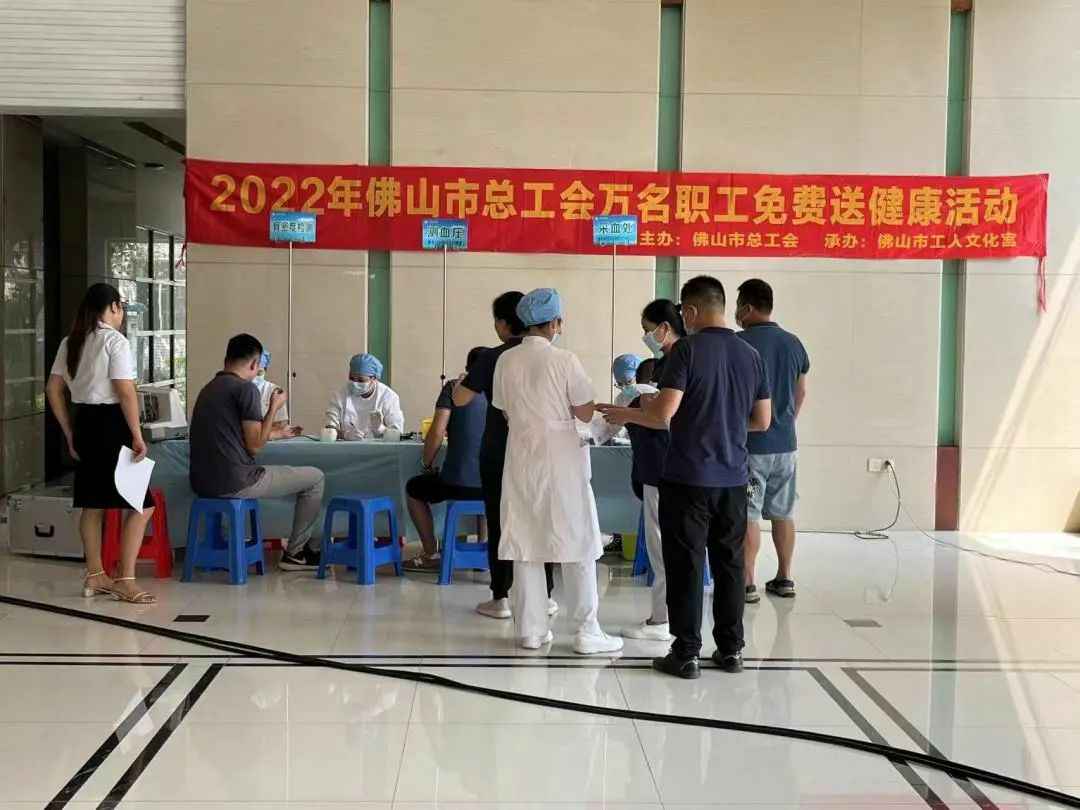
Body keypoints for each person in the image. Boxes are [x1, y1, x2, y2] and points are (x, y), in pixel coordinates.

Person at [639, 276, 771, 679]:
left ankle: (686, 652)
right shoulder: (750, 354)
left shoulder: (687, 350)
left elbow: (664, 413)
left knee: (687, 565)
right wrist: (724, 424)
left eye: (683, 312)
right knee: (730, 564)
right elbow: (762, 420)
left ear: (692, 311)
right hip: (733, 478)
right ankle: (731, 650)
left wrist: (642, 406)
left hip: (688, 477)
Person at [493, 287, 623, 654]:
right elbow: (584, 412)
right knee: (577, 541)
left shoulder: (506, 361)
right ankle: (586, 630)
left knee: (527, 542)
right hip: (562, 460)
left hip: (521, 458)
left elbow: (505, 410)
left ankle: (531, 631)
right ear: (554, 323)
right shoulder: (564, 360)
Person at [45, 283, 157, 604]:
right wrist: (136, 434)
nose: (121, 314)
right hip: (111, 425)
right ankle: (125, 579)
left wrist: (69, 432)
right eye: (120, 307)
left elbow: (52, 389)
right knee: (142, 504)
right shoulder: (114, 341)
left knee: (92, 504)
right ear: (112, 307)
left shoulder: (71, 341)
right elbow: (125, 391)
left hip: (83, 423)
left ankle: (95, 575)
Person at [453, 291, 556, 620]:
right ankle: (545, 595)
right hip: (539, 452)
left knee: (501, 523)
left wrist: (461, 382)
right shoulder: (552, 356)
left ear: (501, 323)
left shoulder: (493, 357)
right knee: (539, 521)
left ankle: (502, 597)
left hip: (499, 452)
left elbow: (460, 399)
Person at [189, 334, 326, 571]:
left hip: (202, 483)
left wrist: (278, 434)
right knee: (316, 478)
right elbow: (255, 446)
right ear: (255, 364)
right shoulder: (246, 389)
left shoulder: (208, 389)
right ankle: (295, 553)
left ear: (226, 359)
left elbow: (237, 434)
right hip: (237, 481)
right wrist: (273, 408)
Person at [597, 299, 686, 641]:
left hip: (663, 473)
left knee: (663, 548)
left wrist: (629, 412)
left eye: (648, 330)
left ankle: (663, 621)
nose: (646, 336)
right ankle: (671, 619)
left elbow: (663, 417)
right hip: (675, 471)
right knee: (671, 548)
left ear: (665, 327)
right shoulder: (677, 363)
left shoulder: (675, 365)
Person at [735, 279, 810, 603]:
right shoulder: (794, 344)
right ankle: (785, 577)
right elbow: (801, 391)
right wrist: (785, 423)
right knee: (783, 512)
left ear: (748, 308)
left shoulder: (739, 344)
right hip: (786, 447)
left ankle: (747, 582)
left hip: (752, 446)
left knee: (749, 513)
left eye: (739, 305)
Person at [403, 346, 489, 572]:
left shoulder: (453, 388)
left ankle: (431, 553)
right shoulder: (502, 391)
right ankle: (482, 551)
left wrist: (427, 464)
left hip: (456, 484)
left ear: (467, 369)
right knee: (487, 491)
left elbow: (437, 432)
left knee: (413, 489)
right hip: (495, 485)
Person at [324, 353, 404, 440]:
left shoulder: (388, 397)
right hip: (346, 447)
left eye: (360, 380)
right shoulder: (340, 395)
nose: (355, 383)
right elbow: (329, 429)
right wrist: (345, 435)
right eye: (352, 378)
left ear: (374, 378)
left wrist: (380, 429)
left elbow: (397, 433)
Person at [252, 349, 301, 440]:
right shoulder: (239, 390)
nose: (255, 377)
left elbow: (280, 425)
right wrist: (274, 433)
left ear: (266, 369)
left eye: (259, 372)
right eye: (254, 371)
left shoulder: (274, 391)